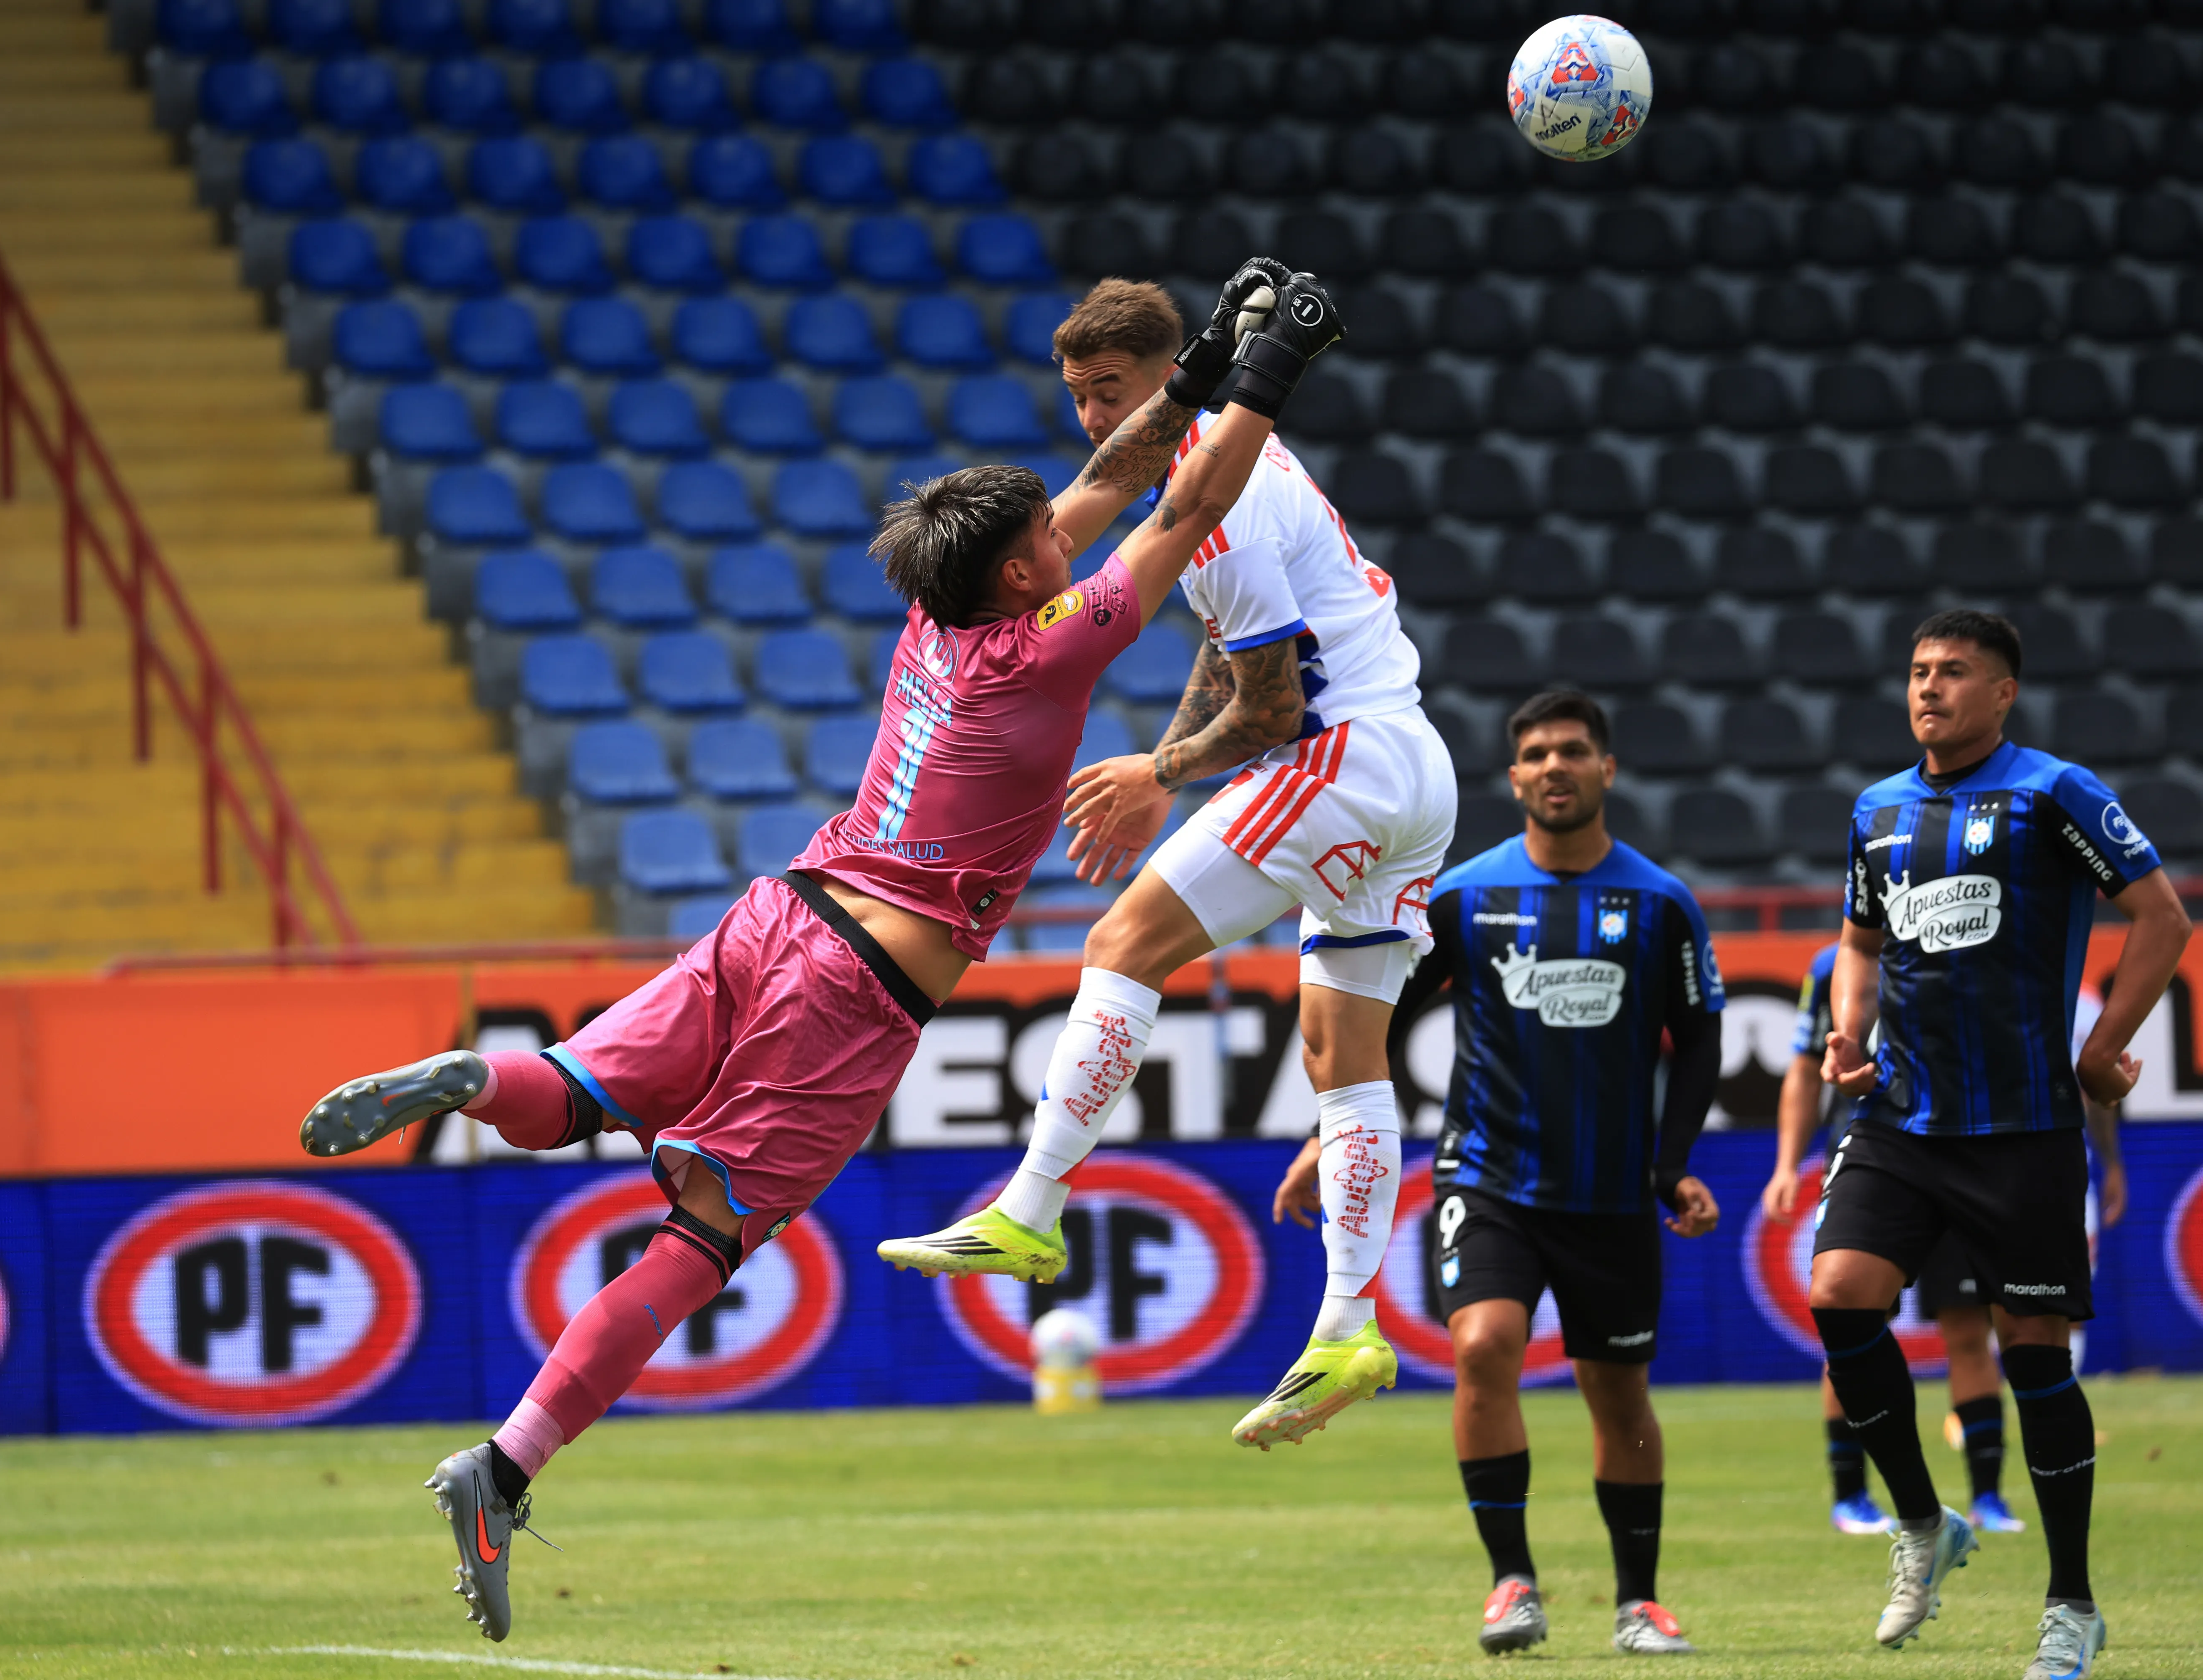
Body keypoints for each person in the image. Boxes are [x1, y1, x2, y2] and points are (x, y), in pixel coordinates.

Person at [289, 266, 1351, 1643]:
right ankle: (505, 1464)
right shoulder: (1045, 653)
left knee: (579, 1094)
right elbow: (1188, 503)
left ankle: (479, 1085)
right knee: (703, 1238)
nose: (1067, 518)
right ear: (1028, 570)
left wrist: (1208, 352)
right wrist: (1277, 368)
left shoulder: (939, 619)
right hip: (856, 987)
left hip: (774, 914)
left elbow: (1117, 470)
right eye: (1049, 532)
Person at [877, 278, 1458, 1456]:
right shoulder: (1215, 456)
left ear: (1158, 377)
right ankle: (1349, 1326)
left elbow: (1272, 702)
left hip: (1336, 756)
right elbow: (1208, 607)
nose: (1093, 419)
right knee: (1343, 1059)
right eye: (1077, 396)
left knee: (1120, 945)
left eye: (1108, 393)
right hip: (1414, 772)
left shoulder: (1226, 500)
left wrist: (1161, 773)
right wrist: (1209, 363)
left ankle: (1034, 1208)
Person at [1274, 690, 1721, 1656]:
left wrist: (1672, 1164)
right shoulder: (1467, 896)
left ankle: (1638, 1600)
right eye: (1535, 754)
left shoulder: (1662, 904)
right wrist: (1331, 1128)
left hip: (1610, 1193)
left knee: (1618, 1392)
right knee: (1483, 1344)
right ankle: (1510, 1581)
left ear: (1607, 769)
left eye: (1572, 750)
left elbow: (1699, 1044)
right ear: (1513, 777)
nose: (1553, 766)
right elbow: (1377, 1018)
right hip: (1488, 1179)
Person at [1812, 609, 2189, 1676]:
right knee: (1840, 1290)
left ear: (2005, 691)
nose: (1929, 688)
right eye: (1920, 671)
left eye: (1955, 672)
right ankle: (1926, 1521)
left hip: (2022, 1124)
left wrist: (2104, 1046)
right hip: (1901, 1116)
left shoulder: (2054, 791)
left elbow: (2161, 917)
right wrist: (1849, 1025)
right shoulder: (1878, 807)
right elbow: (1857, 935)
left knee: (2033, 1355)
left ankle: (2071, 1603)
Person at [1769, 950, 2129, 1538]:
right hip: (1880, 1155)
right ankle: (1852, 1495)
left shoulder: (1982, 934)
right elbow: (1808, 1065)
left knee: (1971, 1328)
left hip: (1976, 1152)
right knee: (1852, 1319)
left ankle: (1987, 1495)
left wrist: (2110, 1159)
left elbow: (2074, 1066)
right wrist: (1787, 1164)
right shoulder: (1837, 961)